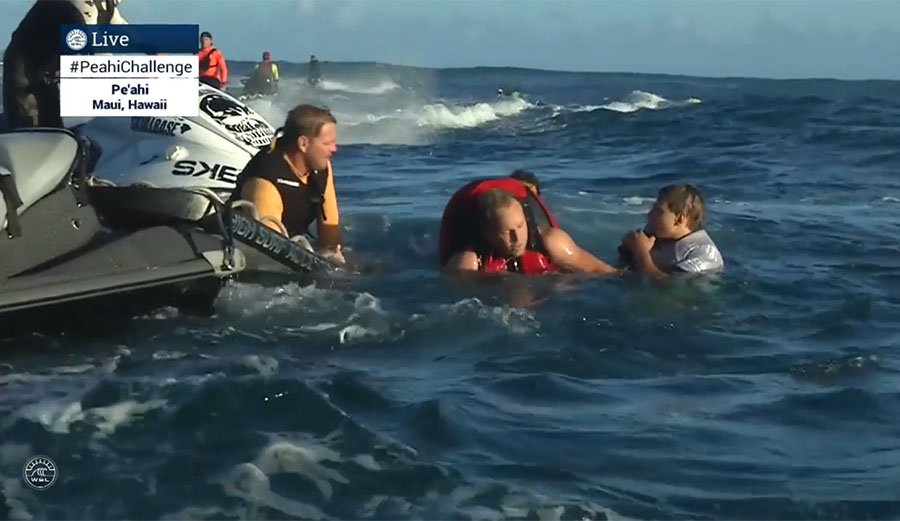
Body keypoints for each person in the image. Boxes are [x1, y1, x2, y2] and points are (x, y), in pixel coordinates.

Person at [229, 104, 345, 265]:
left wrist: (334, 259)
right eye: (327, 143)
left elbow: (330, 234)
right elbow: (270, 254)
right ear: (303, 144)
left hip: (294, 244)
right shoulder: (265, 181)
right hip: (251, 256)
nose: (334, 149)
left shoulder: (321, 167)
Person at [440, 175, 619, 275]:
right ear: (488, 233)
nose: (517, 238)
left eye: (520, 226)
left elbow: (604, 272)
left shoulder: (552, 243)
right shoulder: (469, 264)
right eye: (507, 231)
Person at [2, 0, 121, 130]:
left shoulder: (96, 11)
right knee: (25, 117)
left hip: (44, 61)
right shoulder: (77, 10)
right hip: (24, 58)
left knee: (51, 118)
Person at [618, 183, 724, 278]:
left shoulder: (703, 253)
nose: (649, 215)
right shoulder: (657, 231)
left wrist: (641, 252)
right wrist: (629, 247)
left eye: (659, 211)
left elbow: (667, 286)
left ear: (679, 219)